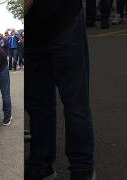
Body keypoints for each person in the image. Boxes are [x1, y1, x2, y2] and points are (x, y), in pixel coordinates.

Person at [25, 0, 96, 180]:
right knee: (38, 104)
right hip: (33, 32)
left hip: (64, 21)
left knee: (75, 104)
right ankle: (41, 165)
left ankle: (82, 170)